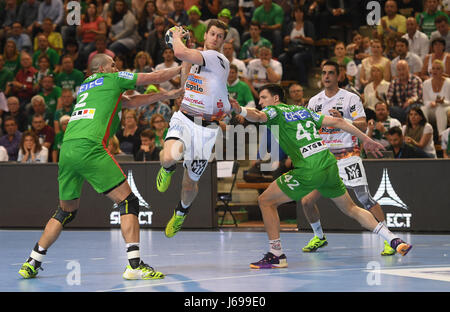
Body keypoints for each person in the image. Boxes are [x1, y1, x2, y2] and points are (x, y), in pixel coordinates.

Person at [18, 53, 184, 280]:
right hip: (90, 147)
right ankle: (134, 266)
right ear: (102, 69)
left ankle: (32, 262)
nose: (117, 68)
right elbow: (151, 77)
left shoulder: (86, 87)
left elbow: (131, 102)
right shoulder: (113, 79)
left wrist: (170, 94)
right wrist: (181, 67)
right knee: (128, 201)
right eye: (113, 65)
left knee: (65, 211)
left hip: (67, 149)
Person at [229, 83, 412, 269]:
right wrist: (366, 139)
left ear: (276, 99)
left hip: (309, 167)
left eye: (263, 98)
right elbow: (339, 122)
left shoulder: (275, 110)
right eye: (259, 99)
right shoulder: (303, 111)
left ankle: (276, 254)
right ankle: (393, 239)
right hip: (328, 162)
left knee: (265, 201)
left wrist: (241, 109)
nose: (260, 102)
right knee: (351, 208)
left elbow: (258, 115)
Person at [304, 61, 396, 256]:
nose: (326, 76)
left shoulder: (350, 98)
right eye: (323, 73)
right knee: (306, 201)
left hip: (348, 156)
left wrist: (342, 119)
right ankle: (319, 237)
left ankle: (389, 239)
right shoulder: (314, 101)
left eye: (330, 73)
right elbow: (309, 129)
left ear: (339, 76)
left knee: (365, 199)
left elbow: (362, 125)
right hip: (325, 160)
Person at [155, 20, 230, 238]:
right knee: (169, 156)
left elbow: (179, 52)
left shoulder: (217, 58)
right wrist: (187, 53)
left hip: (207, 130)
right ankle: (167, 168)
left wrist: (176, 35)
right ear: (205, 35)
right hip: (185, 118)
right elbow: (186, 83)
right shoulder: (197, 57)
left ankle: (181, 212)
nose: (215, 38)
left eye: (220, 36)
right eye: (213, 34)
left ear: (223, 41)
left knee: (189, 185)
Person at [278, 5, 315, 86]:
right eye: (296, 12)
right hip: (292, 49)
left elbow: (312, 41)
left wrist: (302, 38)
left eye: (300, 12)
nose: (298, 14)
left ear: (303, 14)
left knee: (297, 57)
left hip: (305, 49)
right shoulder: (290, 25)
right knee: (281, 58)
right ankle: (284, 82)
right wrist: (286, 40)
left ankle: (303, 82)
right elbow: (286, 42)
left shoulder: (308, 24)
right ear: (293, 14)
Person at [422, 59, 450, 136]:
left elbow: (449, 101)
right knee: (423, 109)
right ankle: (425, 133)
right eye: (433, 68)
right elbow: (425, 101)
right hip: (432, 108)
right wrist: (431, 103)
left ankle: (441, 135)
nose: (435, 71)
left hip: (446, 107)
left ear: (442, 71)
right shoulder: (426, 83)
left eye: (438, 69)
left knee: (440, 109)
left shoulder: (448, 82)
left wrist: (442, 102)